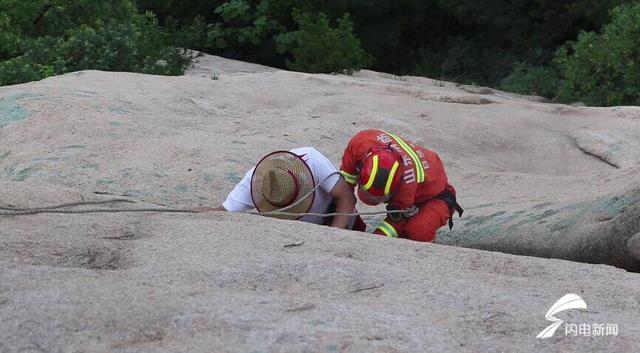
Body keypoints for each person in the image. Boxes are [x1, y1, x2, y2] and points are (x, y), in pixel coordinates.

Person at [337, 129, 462, 242]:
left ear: (395, 189)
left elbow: (395, 223)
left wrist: (374, 240)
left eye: (379, 199)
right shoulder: (359, 143)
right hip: (418, 183)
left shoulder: (406, 184)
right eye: (368, 193)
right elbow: (345, 187)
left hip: (437, 196)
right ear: (361, 169)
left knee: (418, 232)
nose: (371, 199)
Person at [212, 147, 366, 231]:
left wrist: (336, 235)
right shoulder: (254, 182)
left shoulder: (312, 160)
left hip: (343, 223)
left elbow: (347, 197)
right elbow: (223, 212)